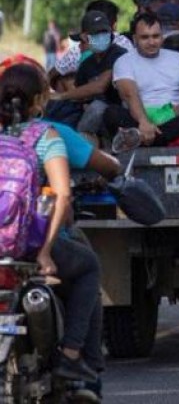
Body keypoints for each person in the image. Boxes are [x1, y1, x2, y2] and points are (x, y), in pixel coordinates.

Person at [0, 64, 104, 390]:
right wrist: (44, 251)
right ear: (40, 101)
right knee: (88, 266)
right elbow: (62, 194)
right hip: (26, 244)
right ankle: (72, 355)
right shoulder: (47, 135)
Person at [103, 11, 179, 152]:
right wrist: (144, 122)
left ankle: (140, 139)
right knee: (112, 113)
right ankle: (170, 141)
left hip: (172, 118)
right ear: (135, 39)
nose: (151, 42)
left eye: (156, 36)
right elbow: (130, 95)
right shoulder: (124, 61)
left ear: (162, 37)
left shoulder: (177, 58)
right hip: (139, 118)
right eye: (145, 37)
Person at [46, 11, 128, 135]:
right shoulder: (87, 64)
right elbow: (79, 92)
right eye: (96, 34)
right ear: (85, 37)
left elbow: (100, 86)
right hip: (92, 116)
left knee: (97, 108)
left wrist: (61, 96)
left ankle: (81, 141)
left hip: (118, 112)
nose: (101, 37)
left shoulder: (119, 54)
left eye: (104, 33)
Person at [54, 0, 133, 77]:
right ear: (114, 25)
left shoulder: (118, 52)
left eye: (83, 42)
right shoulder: (125, 43)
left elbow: (53, 74)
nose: (79, 46)